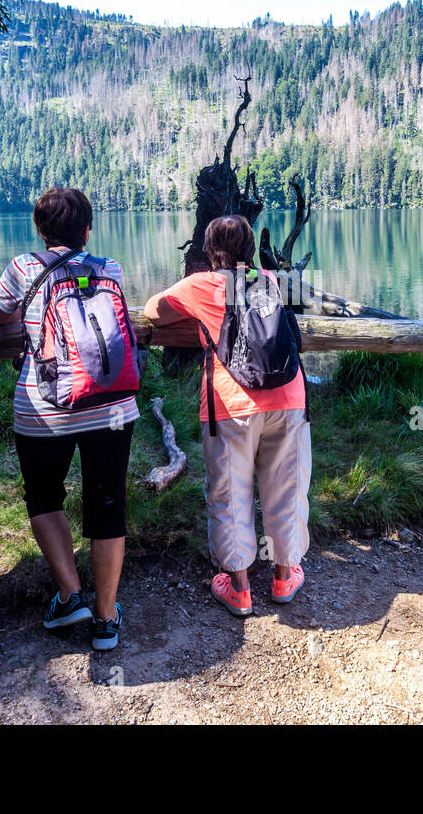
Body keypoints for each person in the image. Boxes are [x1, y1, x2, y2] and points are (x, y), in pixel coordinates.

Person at [0, 187, 139, 651]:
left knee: (45, 496)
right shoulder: (108, 268)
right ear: (87, 230)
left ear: (39, 228)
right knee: (108, 500)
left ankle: (71, 596)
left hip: (44, 410)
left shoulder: (24, 267)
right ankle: (107, 618)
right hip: (112, 406)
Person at [144, 215, 312, 618]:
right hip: (288, 397)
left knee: (230, 494)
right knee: (286, 489)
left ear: (208, 250)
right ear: (251, 247)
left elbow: (153, 311)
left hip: (230, 405)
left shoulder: (201, 284)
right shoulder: (273, 280)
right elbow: (298, 312)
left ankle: (239, 589)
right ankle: (285, 577)